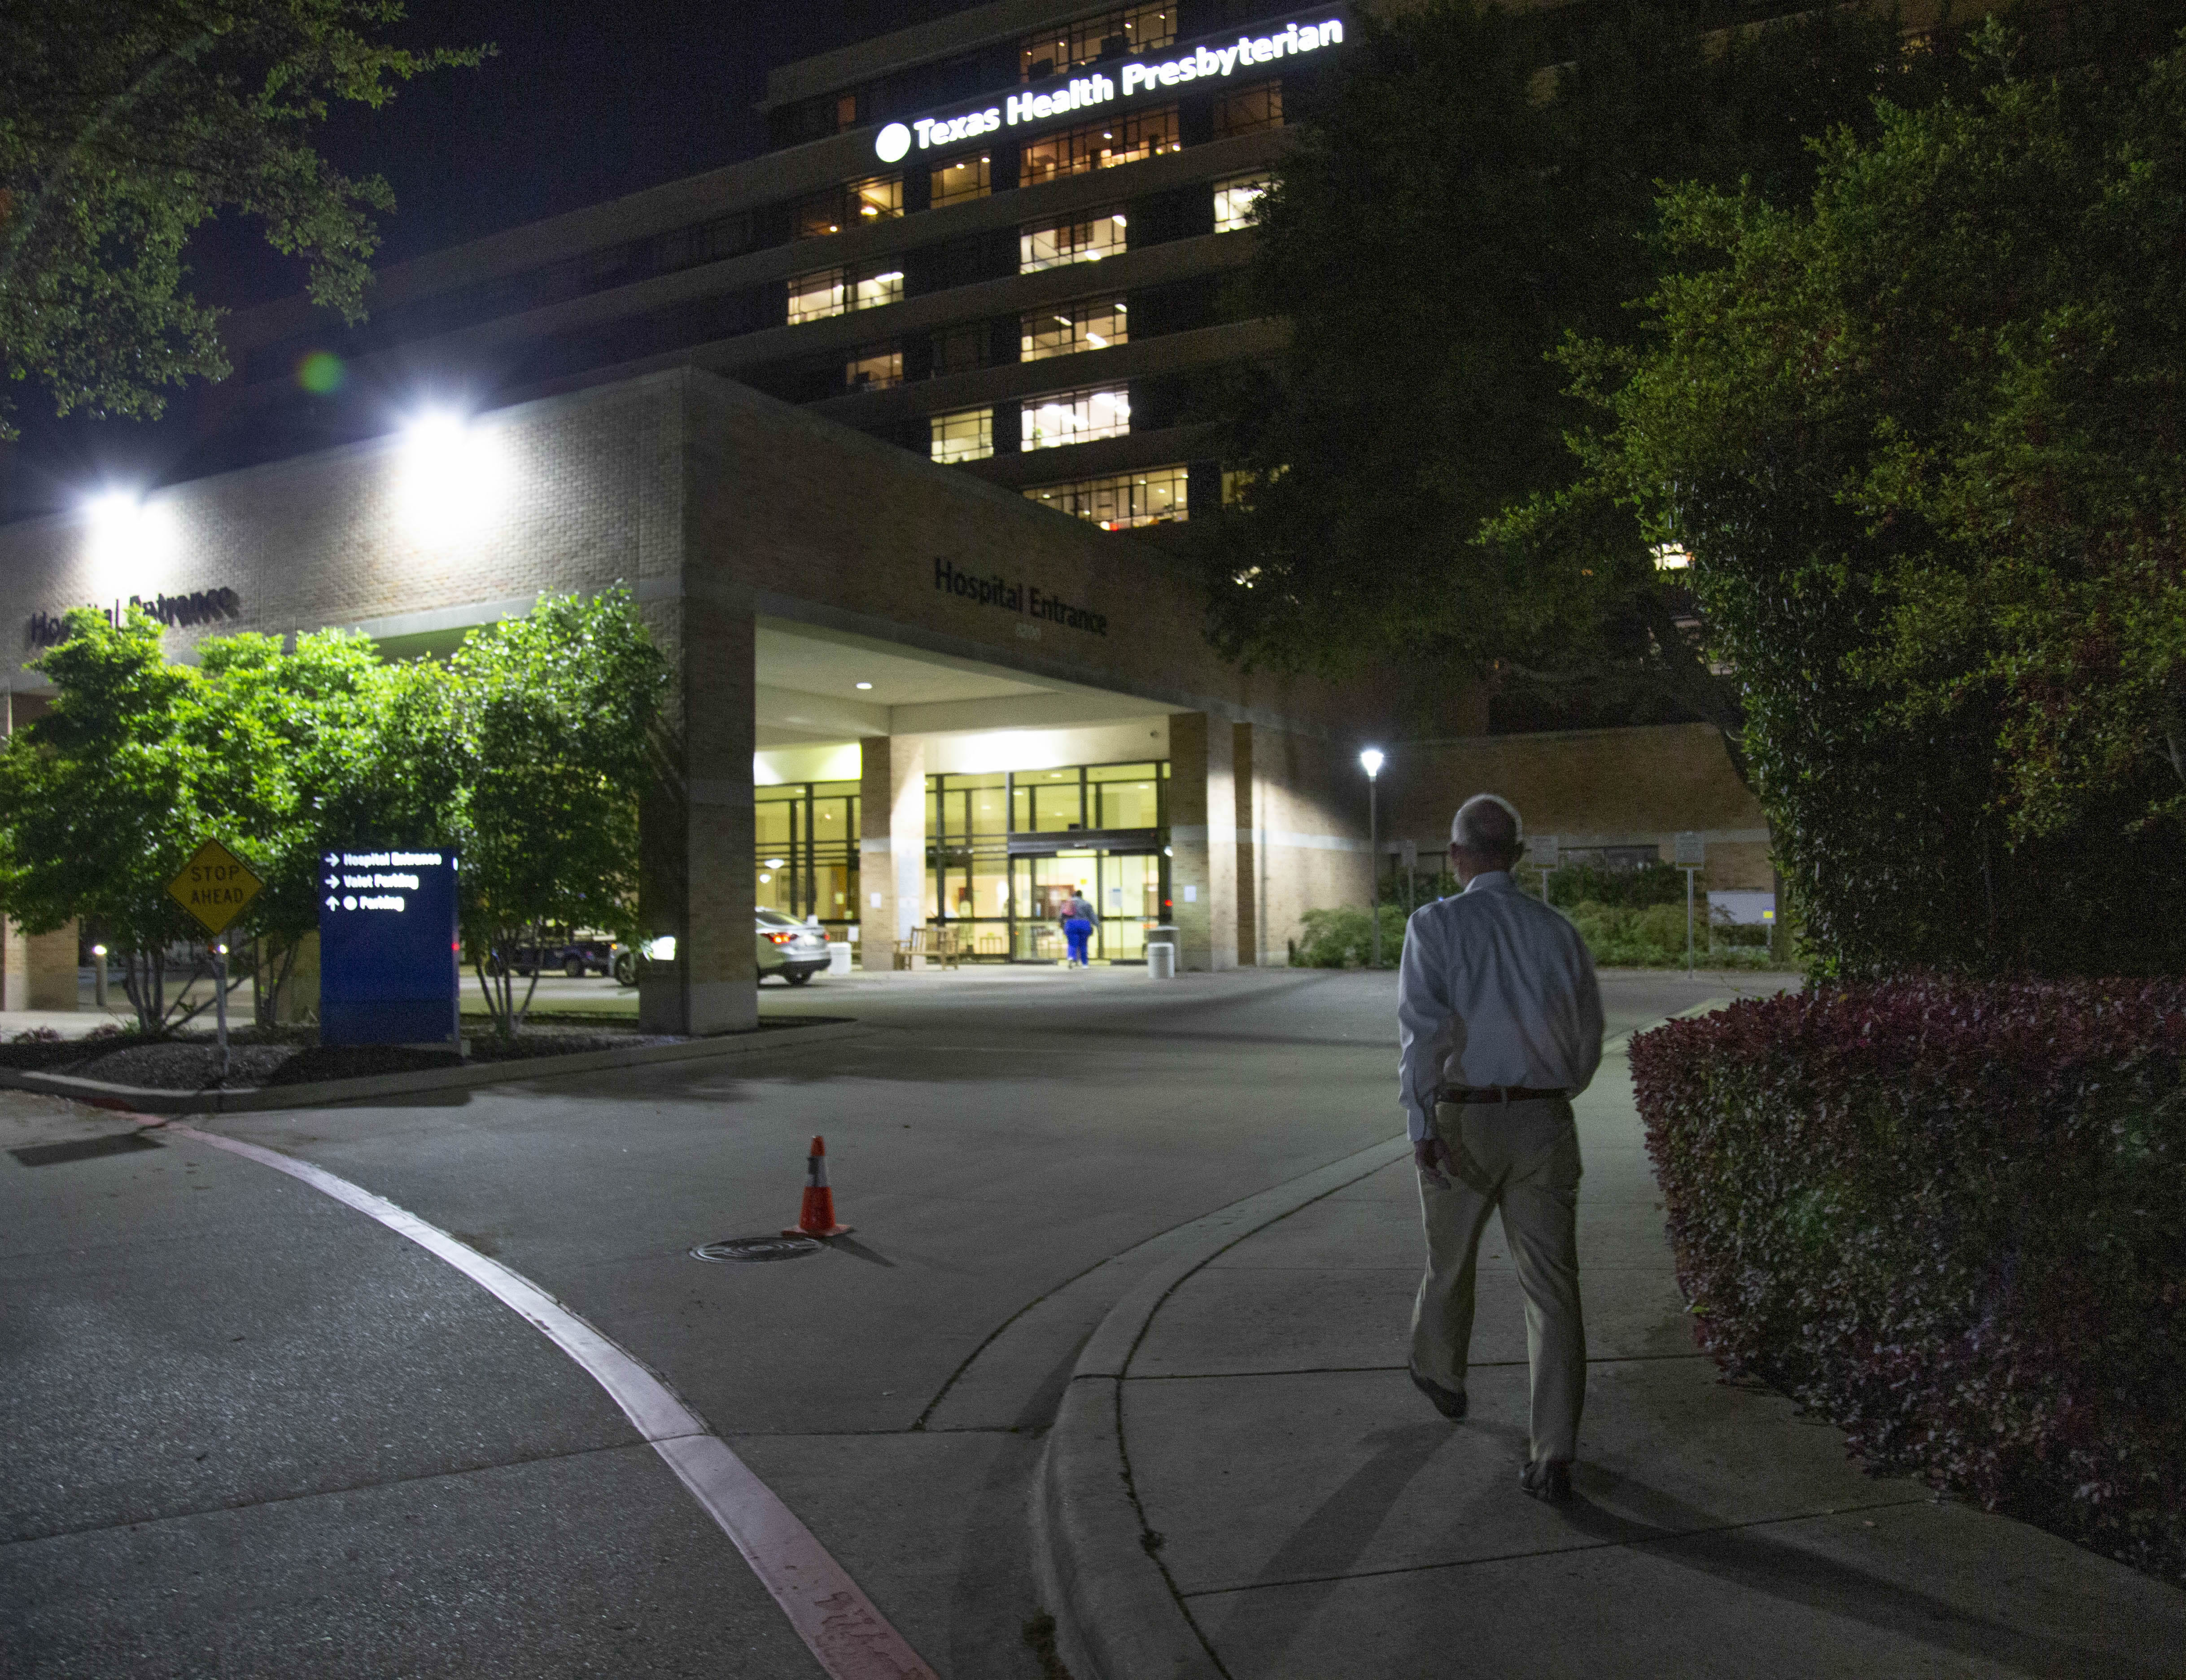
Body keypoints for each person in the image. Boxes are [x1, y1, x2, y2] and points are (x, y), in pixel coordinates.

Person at [1396, 793, 1603, 1504]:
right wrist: (1552, 1090)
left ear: (1456, 857)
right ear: (1517, 855)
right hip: (1544, 1120)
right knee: (1552, 1287)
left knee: (1449, 1261)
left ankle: (1442, 1372)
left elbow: (1422, 1033)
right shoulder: (1559, 932)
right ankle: (1553, 1452)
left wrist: (1422, 1123)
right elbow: (1587, 1039)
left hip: (1464, 1118)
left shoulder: (1435, 925)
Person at [1061, 888, 1097, 968]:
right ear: (1081, 896)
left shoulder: (1068, 903)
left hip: (1071, 925)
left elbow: (1062, 915)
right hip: (1084, 925)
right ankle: (1085, 964)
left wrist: (1062, 926)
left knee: (1072, 944)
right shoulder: (1086, 904)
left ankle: (1071, 957)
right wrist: (1097, 925)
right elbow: (1093, 916)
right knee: (1083, 945)